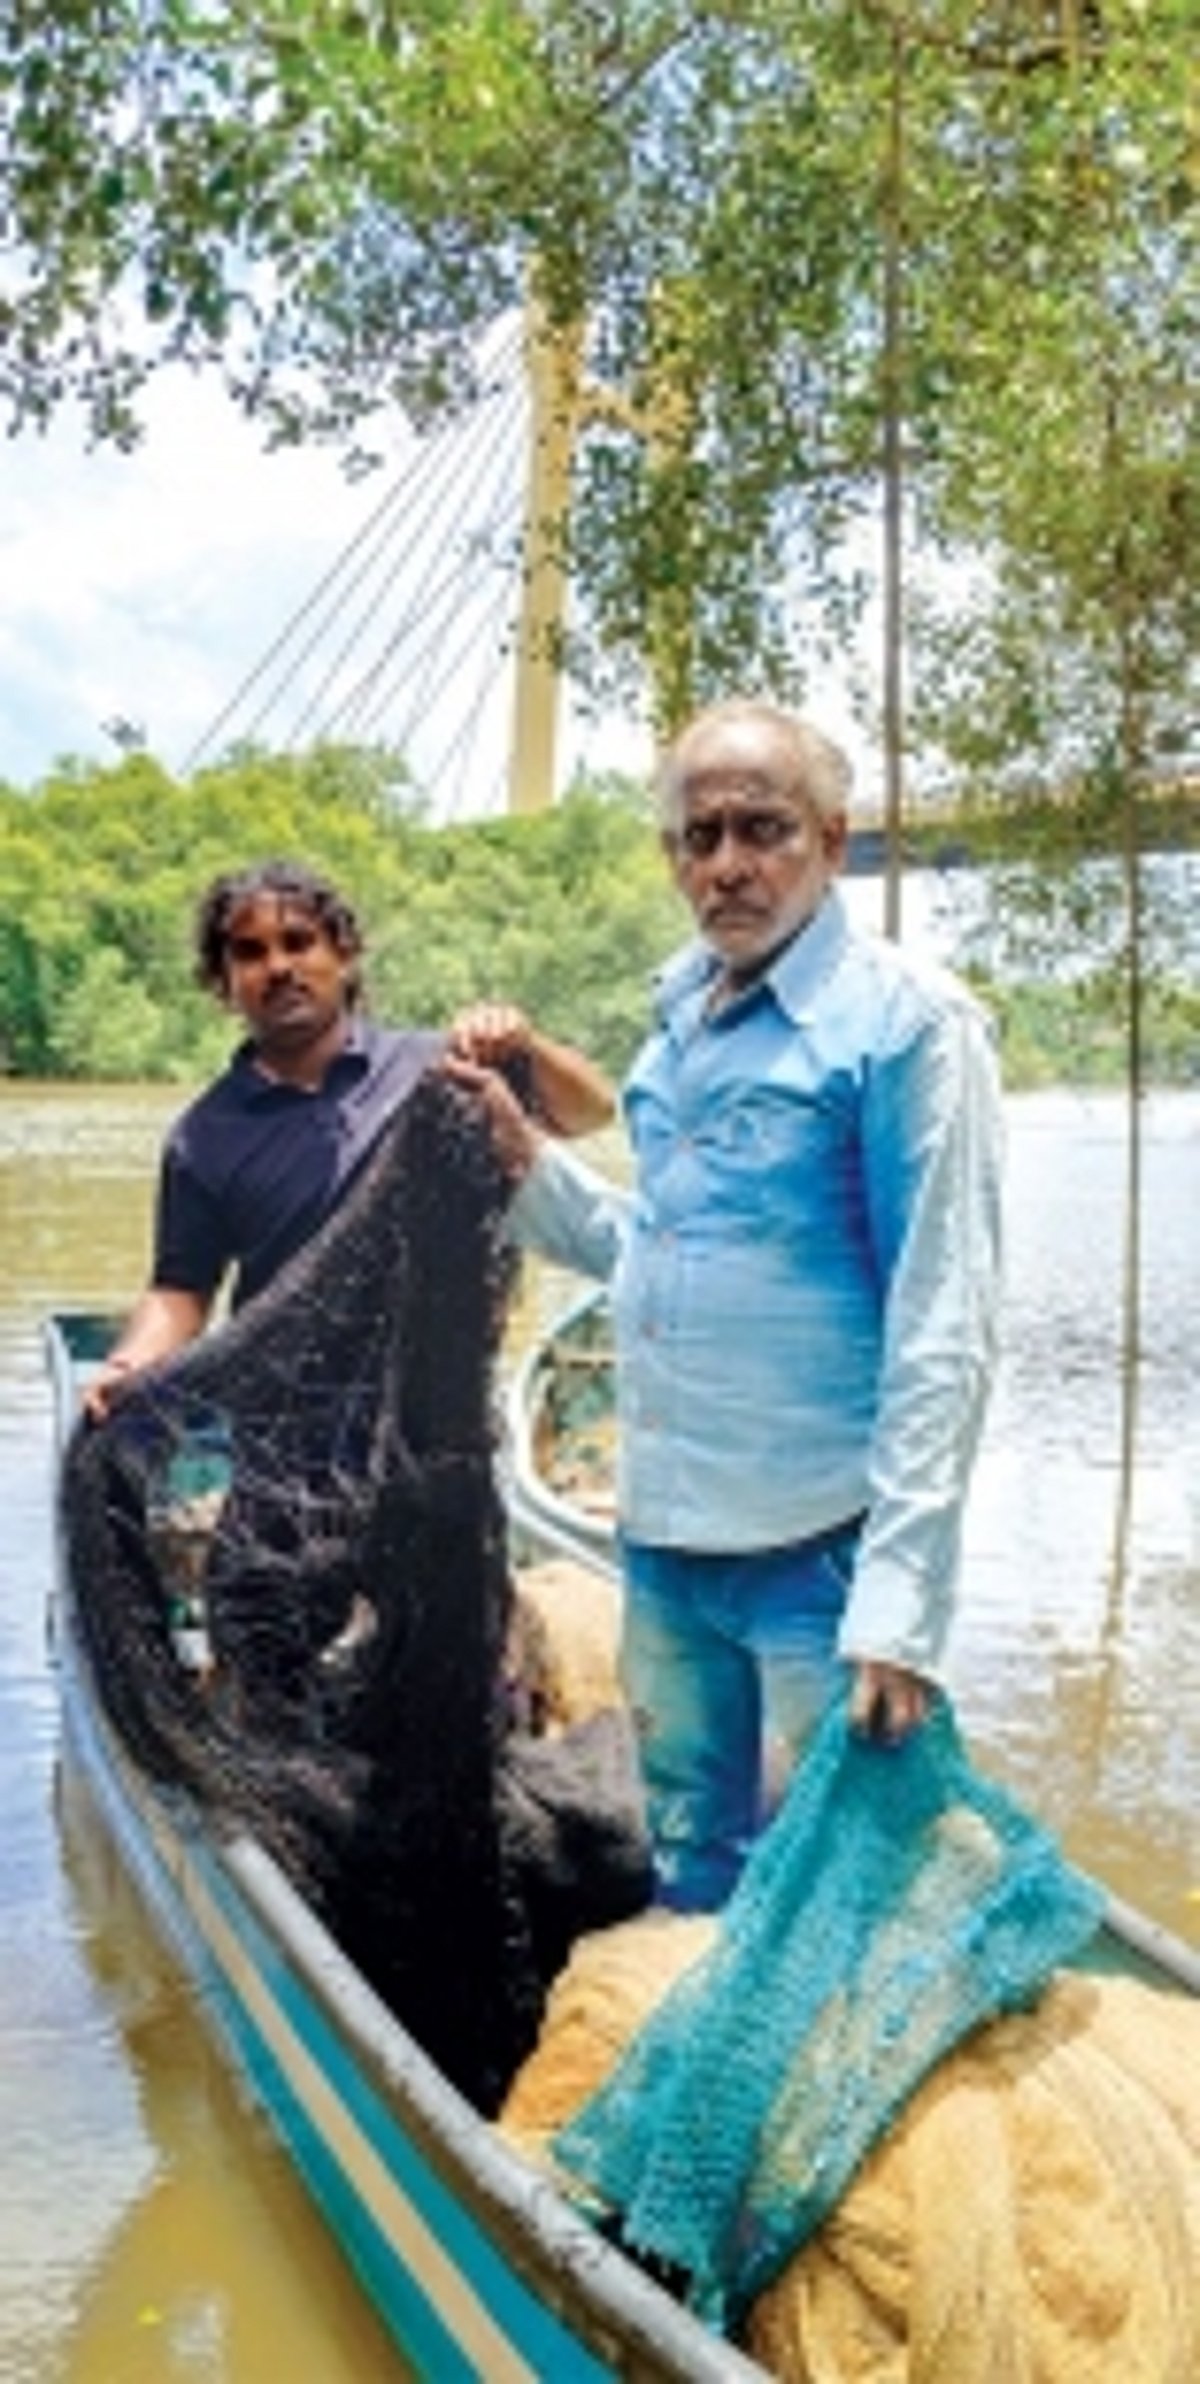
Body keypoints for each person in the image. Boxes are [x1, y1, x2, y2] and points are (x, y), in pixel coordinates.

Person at [455, 698, 1005, 1912]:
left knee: (850, 1884)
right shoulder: (682, 1024)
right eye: (700, 838)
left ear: (832, 836)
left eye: (764, 828)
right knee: (692, 1860)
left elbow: (945, 1321)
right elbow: (647, 1250)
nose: (729, 864)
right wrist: (525, 1163)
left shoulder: (909, 1025)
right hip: (666, 1543)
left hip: (819, 1549)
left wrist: (901, 1603)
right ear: (673, 859)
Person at [85, 857, 613, 1419]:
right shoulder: (203, 1136)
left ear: (345, 954)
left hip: (439, 1418)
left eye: (298, 941)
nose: (279, 966)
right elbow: (181, 1292)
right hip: (284, 1432)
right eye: (250, 952)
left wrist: (525, 1044)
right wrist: (129, 1364)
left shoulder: (444, 1068)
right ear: (224, 984)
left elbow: (591, 1112)